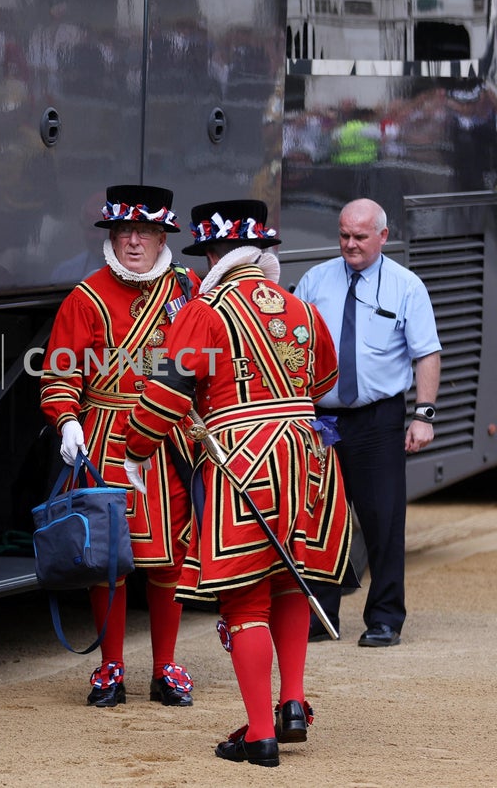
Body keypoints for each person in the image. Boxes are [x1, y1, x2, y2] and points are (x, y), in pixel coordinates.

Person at [122, 199, 351, 767]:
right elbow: (326, 375)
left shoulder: (203, 311)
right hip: (307, 454)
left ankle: (259, 734)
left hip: (244, 458)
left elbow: (169, 394)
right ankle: (293, 703)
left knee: (245, 596)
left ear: (216, 253)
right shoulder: (300, 307)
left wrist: (136, 448)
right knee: (291, 577)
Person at [39, 184, 199, 708]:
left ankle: (166, 667)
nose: (133, 241)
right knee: (105, 557)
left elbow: (204, 359)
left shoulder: (187, 288)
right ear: (112, 236)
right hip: (105, 437)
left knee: (169, 558)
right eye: (124, 232)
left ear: (161, 237)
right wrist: (67, 421)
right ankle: (110, 668)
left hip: (169, 438)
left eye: (145, 232)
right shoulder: (86, 297)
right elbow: (60, 372)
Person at [294, 197, 441, 647]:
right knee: (320, 518)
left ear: (383, 236)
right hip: (322, 420)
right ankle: (321, 615)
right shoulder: (315, 281)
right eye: (343, 235)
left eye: (360, 236)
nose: (350, 244)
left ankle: (384, 617)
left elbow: (427, 354)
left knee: (383, 519)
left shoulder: (406, 286)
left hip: (378, 419)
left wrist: (423, 415)